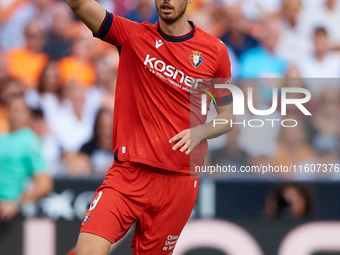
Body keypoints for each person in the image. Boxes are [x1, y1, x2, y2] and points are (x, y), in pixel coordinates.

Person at [66, 0, 234, 254]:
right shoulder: (132, 35)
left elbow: (228, 116)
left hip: (179, 183)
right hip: (129, 173)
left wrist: (201, 131)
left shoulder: (214, 50)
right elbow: (79, 5)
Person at [0, 96, 53, 241]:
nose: (15, 114)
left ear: (27, 115)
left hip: (8, 214)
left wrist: (16, 202)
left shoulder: (31, 141)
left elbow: (44, 184)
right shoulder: (2, 137)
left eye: (20, 111)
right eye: (12, 110)